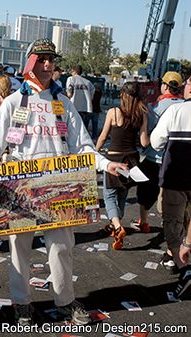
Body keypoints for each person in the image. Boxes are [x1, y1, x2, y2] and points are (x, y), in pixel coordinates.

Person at [0, 38, 127, 325]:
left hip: (59, 184)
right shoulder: (13, 102)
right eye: (41, 59)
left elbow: (83, 146)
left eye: (51, 60)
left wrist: (106, 163)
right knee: (19, 249)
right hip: (20, 186)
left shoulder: (62, 102)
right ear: (29, 62)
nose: (47, 65)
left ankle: (65, 301)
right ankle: (21, 303)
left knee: (61, 248)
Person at [133, 71, 184, 272]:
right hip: (178, 162)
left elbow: (149, 140)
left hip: (156, 158)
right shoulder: (183, 107)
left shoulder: (155, 108)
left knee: (152, 196)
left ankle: (146, 222)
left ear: (164, 86)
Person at [150, 75, 191, 299]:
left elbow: (156, 142)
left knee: (172, 225)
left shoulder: (175, 112)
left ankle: (182, 265)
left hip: (176, 178)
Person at [96, 82, 149, 250]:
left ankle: (118, 227)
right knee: (122, 196)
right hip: (131, 161)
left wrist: (94, 152)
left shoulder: (113, 112)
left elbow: (103, 136)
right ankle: (115, 225)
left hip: (114, 159)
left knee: (109, 196)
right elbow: (144, 142)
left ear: (122, 95)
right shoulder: (142, 114)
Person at [66, 64, 95, 130]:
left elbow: (69, 94)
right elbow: (92, 96)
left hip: (74, 107)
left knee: (73, 129)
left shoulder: (71, 79)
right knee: (83, 130)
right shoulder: (88, 82)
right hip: (86, 109)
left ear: (74, 71)